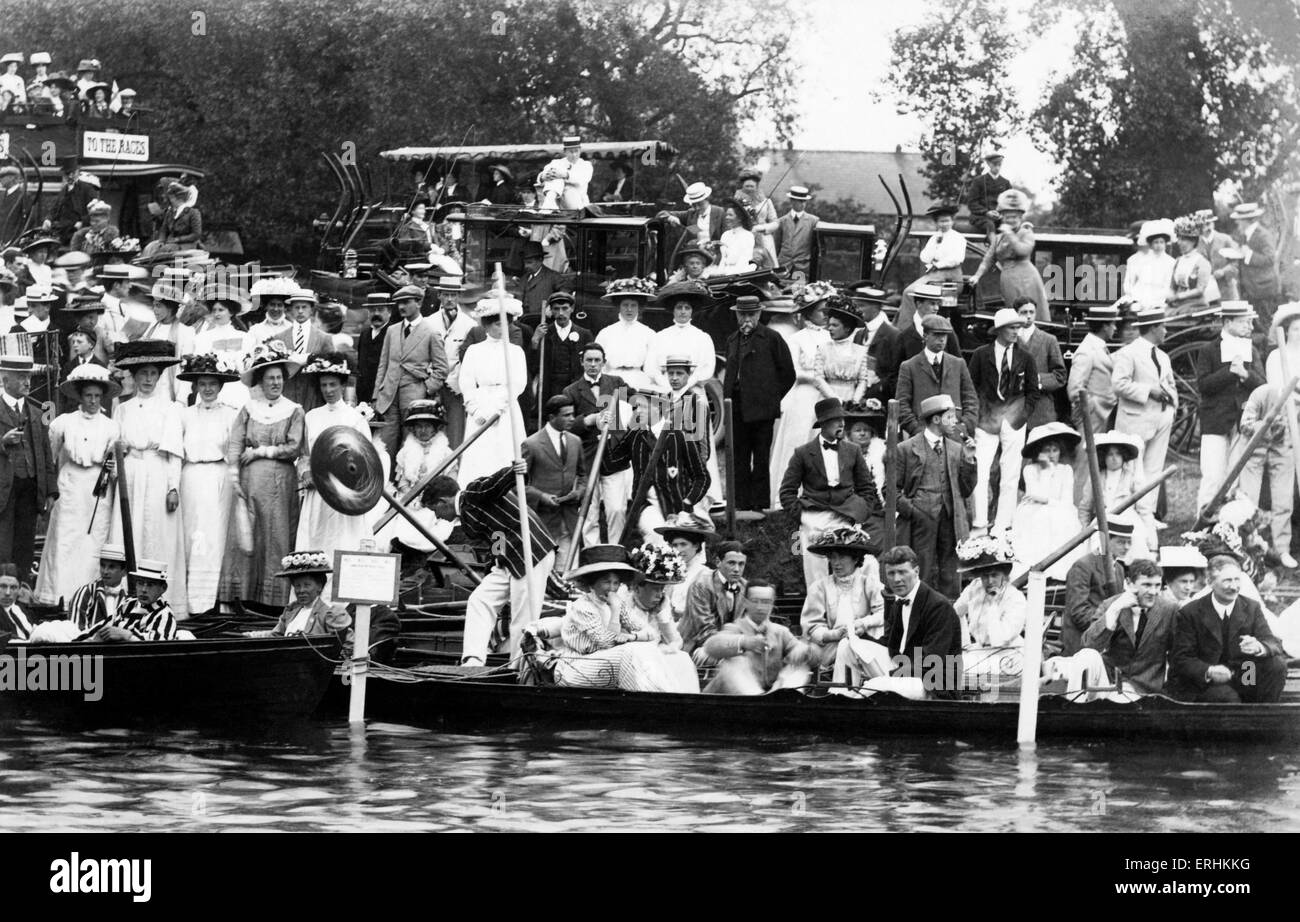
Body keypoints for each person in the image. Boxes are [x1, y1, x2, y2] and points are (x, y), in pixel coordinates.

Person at [425, 463, 556, 666]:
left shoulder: (473, 493)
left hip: (531, 552)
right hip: (509, 559)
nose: (437, 517)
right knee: (479, 600)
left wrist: (515, 471)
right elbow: (498, 535)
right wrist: (493, 566)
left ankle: (518, 668)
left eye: (435, 510)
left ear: (443, 502)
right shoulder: (468, 519)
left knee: (523, 617)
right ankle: (473, 661)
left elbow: (496, 484)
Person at [220, 342, 305, 609]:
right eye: (270, 378)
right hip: (250, 482)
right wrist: (234, 474)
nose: (275, 383)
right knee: (248, 536)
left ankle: (273, 600)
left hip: (280, 483)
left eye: (279, 378)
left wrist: (260, 452)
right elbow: (235, 443)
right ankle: (243, 596)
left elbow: (294, 447)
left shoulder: (294, 410)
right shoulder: (248, 409)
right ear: (261, 381)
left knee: (276, 535)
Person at [108, 340, 188, 616]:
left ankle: (160, 601)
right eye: (142, 373)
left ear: (160, 376)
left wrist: (173, 487)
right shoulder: (122, 408)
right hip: (130, 472)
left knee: (156, 534)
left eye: (153, 373)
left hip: (157, 471)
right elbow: (116, 446)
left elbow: (174, 452)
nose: (147, 379)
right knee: (128, 531)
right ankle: (125, 599)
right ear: (134, 375)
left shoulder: (170, 408)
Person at [32, 364, 119, 609]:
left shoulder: (111, 426)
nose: (93, 400)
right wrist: (51, 490)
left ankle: (89, 599)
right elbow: (50, 458)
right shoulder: (63, 423)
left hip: (97, 489)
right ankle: (59, 596)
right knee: (65, 539)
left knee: (92, 540)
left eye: (97, 396)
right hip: (69, 486)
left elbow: (114, 464)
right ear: (80, 396)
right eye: (88, 395)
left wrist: (110, 474)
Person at [551, 544, 690, 692]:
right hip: (576, 667)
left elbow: (650, 633)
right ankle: (653, 700)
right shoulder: (583, 607)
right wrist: (616, 612)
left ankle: (672, 695)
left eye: (616, 582)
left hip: (604, 665)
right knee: (628, 652)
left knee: (647, 648)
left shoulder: (617, 603)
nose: (612, 588)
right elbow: (607, 643)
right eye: (606, 581)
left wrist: (633, 636)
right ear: (591, 582)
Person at [779, 397, 879, 591]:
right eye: (836, 420)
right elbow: (787, 492)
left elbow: (867, 488)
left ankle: (848, 611)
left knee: (852, 565)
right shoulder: (803, 453)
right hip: (814, 516)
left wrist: (861, 510)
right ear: (823, 424)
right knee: (814, 568)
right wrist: (802, 515)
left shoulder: (853, 451)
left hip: (846, 514)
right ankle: (817, 612)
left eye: (842, 419)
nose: (842, 424)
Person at [1167, 554, 1288, 702]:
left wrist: (1259, 647)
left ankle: (1263, 716)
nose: (1234, 586)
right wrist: (1209, 671)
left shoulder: (1251, 607)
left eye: (1237, 580)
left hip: (1243, 677)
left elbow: (1273, 642)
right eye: (1227, 580)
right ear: (1210, 582)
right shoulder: (1190, 612)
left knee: (1276, 665)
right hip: (1207, 682)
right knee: (1227, 697)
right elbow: (1181, 658)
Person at [294, 354, 369, 591]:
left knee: (341, 541)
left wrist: (338, 478)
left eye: (333, 384)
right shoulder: (312, 416)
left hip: (342, 494)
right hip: (316, 494)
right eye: (324, 385)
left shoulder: (355, 418)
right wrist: (306, 474)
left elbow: (363, 460)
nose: (328, 390)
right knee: (315, 541)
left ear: (342, 384)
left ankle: (342, 598)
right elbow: (304, 454)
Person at [173, 354, 241, 614]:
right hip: (190, 477)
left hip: (218, 478)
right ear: (196, 386)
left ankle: (214, 600)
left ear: (221, 386)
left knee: (214, 537)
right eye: (203, 383)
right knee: (192, 536)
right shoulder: (185, 415)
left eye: (213, 383)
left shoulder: (230, 415)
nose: (208, 388)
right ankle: (189, 600)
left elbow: (235, 450)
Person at [894, 394, 978, 599]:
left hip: (950, 521)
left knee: (951, 574)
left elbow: (966, 490)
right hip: (919, 524)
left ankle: (950, 617)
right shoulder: (906, 449)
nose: (956, 422)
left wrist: (969, 458)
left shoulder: (957, 449)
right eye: (950, 417)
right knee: (920, 572)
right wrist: (913, 511)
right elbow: (890, 491)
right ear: (936, 419)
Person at [968, 308, 1040, 536]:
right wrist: (978, 415)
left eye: (1018, 327)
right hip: (986, 421)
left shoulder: (1025, 357)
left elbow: (1032, 391)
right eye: (1011, 327)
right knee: (981, 471)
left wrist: (1022, 416)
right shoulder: (981, 354)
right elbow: (971, 387)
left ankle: (1002, 524)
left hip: (1014, 422)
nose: (1016, 332)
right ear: (999, 330)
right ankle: (979, 524)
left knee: (1010, 474)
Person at [608, 387, 711, 544]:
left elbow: (702, 477)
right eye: (635, 407)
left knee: (691, 543)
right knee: (657, 534)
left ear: (657, 408)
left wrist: (689, 502)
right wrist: (608, 434)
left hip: (680, 505)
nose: (637, 411)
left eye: (642, 406)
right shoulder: (635, 434)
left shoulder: (681, 435)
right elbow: (611, 464)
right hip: (646, 505)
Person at [723, 295, 794, 512]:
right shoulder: (732, 339)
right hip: (736, 408)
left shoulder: (772, 338)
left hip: (762, 411)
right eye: (742, 314)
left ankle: (760, 505)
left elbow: (788, 374)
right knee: (739, 458)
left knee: (761, 458)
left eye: (751, 315)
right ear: (736, 315)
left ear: (759, 314)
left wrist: (770, 397)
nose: (747, 319)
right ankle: (740, 505)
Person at [1111, 307, 1177, 536]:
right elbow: (1118, 384)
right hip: (1135, 420)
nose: (1166, 331)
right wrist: (1148, 391)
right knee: (1131, 470)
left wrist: (1172, 406)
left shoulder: (1163, 356)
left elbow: (1169, 382)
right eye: (1164, 327)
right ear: (1153, 328)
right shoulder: (1129, 353)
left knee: (1153, 470)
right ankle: (1126, 514)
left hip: (1160, 418)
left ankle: (1148, 516)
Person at [1196, 301, 1265, 514]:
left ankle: (1228, 522)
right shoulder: (1208, 350)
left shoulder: (1251, 350)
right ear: (1228, 322)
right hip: (1215, 420)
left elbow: (1263, 384)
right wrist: (1230, 372)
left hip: (1242, 420)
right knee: (1213, 474)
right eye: (1245, 322)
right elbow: (1204, 385)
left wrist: (1245, 374)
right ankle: (1203, 522)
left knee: (1235, 474)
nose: (1250, 327)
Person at [1074, 557, 1176, 696]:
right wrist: (1114, 611)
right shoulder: (1112, 605)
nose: (1153, 592)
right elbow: (1089, 645)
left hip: (1144, 689)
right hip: (1108, 682)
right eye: (1146, 585)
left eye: (1157, 585)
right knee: (1086, 655)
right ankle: (1073, 705)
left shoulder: (1169, 610)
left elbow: (1178, 654)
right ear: (1129, 583)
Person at [0, 336, 57, 584]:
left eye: (29, 377)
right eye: (21, 377)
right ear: (5, 380)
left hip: (30, 487)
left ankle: (20, 593)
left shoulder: (36, 412)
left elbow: (45, 454)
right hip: (3, 489)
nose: (27, 382)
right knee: (3, 543)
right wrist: (2, 443)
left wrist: (50, 492)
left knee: (25, 543)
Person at [456, 292, 527, 487]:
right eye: (497, 324)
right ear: (486, 325)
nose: (502, 328)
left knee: (505, 453)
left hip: (506, 408)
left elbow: (518, 383)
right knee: (479, 455)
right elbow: (467, 383)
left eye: (506, 323)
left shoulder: (515, 351)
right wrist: (475, 409)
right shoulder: (474, 350)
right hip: (481, 404)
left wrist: (499, 408)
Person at [800, 526, 886, 682]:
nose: (836, 563)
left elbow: (885, 613)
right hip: (829, 650)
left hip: (863, 645)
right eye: (832, 557)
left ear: (855, 559)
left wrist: (863, 624)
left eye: (842, 557)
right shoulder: (819, 587)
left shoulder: (869, 584)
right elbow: (811, 626)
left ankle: (883, 685)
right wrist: (834, 634)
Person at [878, 545, 964, 698]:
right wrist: (858, 638)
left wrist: (890, 675)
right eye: (891, 573)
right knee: (848, 647)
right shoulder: (899, 603)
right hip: (906, 671)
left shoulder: (938, 606)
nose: (896, 579)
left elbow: (932, 661)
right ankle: (838, 696)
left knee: (876, 686)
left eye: (902, 572)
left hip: (934, 683)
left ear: (916, 572)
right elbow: (888, 644)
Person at [702, 579, 816, 694]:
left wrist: (802, 651)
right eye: (755, 601)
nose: (760, 607)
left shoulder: (780, 632)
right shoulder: (735, 628)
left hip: (771, 695)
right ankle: (757, 699)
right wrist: (745, 642)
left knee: (800, 668)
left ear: (772, 604)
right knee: (735, 662)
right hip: (734, 699)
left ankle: (783, 698)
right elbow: (710, 646)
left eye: (766, 602)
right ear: (745, 602)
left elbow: (813, 657)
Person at [768, 286, 832, 493]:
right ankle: (790, 492)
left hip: (828, 395)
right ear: (809, 312)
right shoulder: (797, 338)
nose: (826, 316)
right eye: (822, 311)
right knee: (799, 439)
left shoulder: (832, 336)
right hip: (804, 395)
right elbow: (793, 370)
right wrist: (818, 379)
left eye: (828, 311)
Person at [374, 284, 448, 461]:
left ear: (419, 302)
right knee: (385, 444)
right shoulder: (392, 330)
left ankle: (406, 484)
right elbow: (383, 364)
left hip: (414, 397)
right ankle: (384, 483)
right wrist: (376, 393)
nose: (401, 307)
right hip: (389, 395)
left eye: (406, 302)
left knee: (410, 443)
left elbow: (442, 369)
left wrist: (426, 389)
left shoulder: (430, 332)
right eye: (399, 303)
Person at [617, 543, 701, 691]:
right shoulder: (624, 604)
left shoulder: (661, 604)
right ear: (637, 588)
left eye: (662, 589)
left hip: (657, 658)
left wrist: (662, 615)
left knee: (682, 659)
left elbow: (676, 641)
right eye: (655, 589)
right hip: (633, 663)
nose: (660, 594)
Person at [1238, 378, 1300, 568]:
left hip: (1283, 450)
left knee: (1284, 500)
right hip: (1254, 448)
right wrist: (1268, 423)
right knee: (1248, 500)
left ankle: (1282, 550)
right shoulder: (1262, 393)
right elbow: (1244, 425)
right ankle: (1245, 547)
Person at [1012, 423, 1085, 580]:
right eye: (1046, 450)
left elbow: (1066, 500)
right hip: (1033, 510)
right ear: (1039, 453)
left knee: (1058, 517)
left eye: (1055, 450)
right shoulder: (1030, 470)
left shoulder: (1066, 471)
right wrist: (1045, 468)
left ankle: (1057, 571)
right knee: (1040, 518)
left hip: (1060, 509)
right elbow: (1033, 495)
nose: (1051, 455)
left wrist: (1046, 500)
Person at [521, 395, 586, 572]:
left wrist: (579, 492)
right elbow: (518, 484)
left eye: (573, 414)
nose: (572, 419)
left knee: (569, 570)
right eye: (566, 415)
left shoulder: (575, 442)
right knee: (542, 569)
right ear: (551, 417)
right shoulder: (531, 444)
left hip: (569, 518)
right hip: (543, 520)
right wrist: (541, 496)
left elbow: (582, 475)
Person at [968, 189, 1049, 322]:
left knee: (1029, 314)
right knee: (1014, 314)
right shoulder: (999, 238)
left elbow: (1022, 250)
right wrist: (977, 275)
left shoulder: (1026, 233)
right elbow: (988, 259)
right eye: (1007, 217)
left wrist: (1010, 234)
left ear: (1021, 217)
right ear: (1002, 218)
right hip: (1008, 280)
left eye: (1015, 217)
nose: (1011, 220)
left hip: (1027, 279)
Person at [951, 537, 1025, 682]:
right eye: (985, 576)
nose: (990, 581)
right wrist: (964, 643)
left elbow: (999, 640)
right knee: (945, 666)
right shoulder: (975, 587)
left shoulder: (1016, 598)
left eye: (994, 575)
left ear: (1004, 574)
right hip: (981, 652)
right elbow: (956, 612)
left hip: (1010, 655)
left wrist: (992, 604)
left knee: (956, 670)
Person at [896, 313, 978, 438]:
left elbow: (970, 399)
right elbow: (902, 404)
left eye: (944, 335)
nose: (942, 339)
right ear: (925, 336)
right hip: (922, 435)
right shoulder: (909, 366)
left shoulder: (958, 364)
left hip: (955, 434)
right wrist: (916, 430)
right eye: (936, 335)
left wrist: (964, 425)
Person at [1066, 302, 1119, 495]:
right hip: (1091, 417)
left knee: (1093, 463)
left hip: (1101, 416)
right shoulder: (1086, 350)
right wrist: (1094, 406)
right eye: (1113, 324)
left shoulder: (1099, 347)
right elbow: (1074, 389)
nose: (1115, 328)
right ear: (1104, 326)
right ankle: (1077, 510)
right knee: (1085, 463)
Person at [1061, 518, 1133, 656]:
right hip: (1080, 642)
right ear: (1105, 541)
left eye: (1129, 542)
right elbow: (1079, 612)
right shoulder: (1083, 566)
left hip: (1105, 639)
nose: (1126, 547)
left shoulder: (1118, 569)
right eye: (1120, 542)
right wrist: (1106, 624)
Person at [1078, 431, 1150, 557]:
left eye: (1118, 454)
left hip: (1127, 519)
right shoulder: (1096, 477)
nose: (1114, 458)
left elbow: (1144, 508)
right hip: (1103, 519)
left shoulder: (1131, 477)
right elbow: (1085, 507)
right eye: (1110, 454)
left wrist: (1150, 535)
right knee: (1098, 545)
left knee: (1135, 544)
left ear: (1123, 457)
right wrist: (1084, 530)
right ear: (1103, 457)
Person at [896, 203, 967, 332]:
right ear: (936, 223)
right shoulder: (935, 237)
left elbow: (957, 258)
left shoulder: (958, 238)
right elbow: (924, 256)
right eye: (941, 221)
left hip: (950, 278)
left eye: (947, 221)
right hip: (934, 275)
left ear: (952, 221)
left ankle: (907, 329)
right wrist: (936, 244)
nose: (944, 224)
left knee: (910, 293)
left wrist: (938, 264)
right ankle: (903, 328)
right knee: (908, 291)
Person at [76, 559, 179, 643]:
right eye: (140, 583)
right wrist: (76, 643)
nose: (143, 589)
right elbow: (103, 626)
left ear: (163, 588)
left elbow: (159, 645)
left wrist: (126, 634)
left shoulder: (165, 614)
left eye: (150, 585)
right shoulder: (129, 603)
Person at [678, 539, 748, 663]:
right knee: (735, 661)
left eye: (741, 564)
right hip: (697, 646)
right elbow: (704, 632)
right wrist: (737, 645)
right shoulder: (701, 585)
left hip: (734, 645)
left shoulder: (745, 587)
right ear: (718, 562)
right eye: (731, 563)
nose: (737, 569)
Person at [427, 278, 475, 446]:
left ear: (458, 296)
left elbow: (469, 359)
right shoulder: (429, 322)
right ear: (439, 295)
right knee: (431, 429)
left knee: (456, 432)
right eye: (445, 294)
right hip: (433, 385)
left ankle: (454, 469)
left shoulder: (469, 324)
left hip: (456, 387)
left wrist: (459, 382)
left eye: (453, 295)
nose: (449, 299)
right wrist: (431, 381)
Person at [646, 280, 715, 389]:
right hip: (664, 388)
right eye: (679, 307)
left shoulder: (703, 338)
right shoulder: (660, 337)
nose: (683, 312)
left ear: (692, 311)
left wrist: (687, 385)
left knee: (695, 403)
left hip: (693, 388)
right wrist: (666, 386)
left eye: (687, 308)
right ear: (673, 310)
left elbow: (707, 369)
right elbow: (650, 368)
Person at [269, 551, 352, 642]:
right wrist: (251, 635)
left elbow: (347, 644)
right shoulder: (291, 610)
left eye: (307, 585)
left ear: (319, 586)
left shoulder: (330, 614)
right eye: (297, 586)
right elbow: (275, 635)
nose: (301, 590)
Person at [531, 290, 591, 410]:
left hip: (575, 387)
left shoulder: (584, 334)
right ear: (551, 311)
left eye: (564, 308)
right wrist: (535, 341)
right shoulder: (544, 334)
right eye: (556, 309)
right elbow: (533, 366)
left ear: (572, 309)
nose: (560, 313)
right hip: (550, 388)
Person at [277, 289, 336, 411]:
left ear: (311, 310)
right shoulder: (279, 338)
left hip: (314, 395)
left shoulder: (324, 338)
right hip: (287, 395)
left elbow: (332, 369)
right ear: (291, 310)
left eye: (304, 307)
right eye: (296, 307)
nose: (300, 311)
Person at [595, 278, 656, 390]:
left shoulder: (648, 333)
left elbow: (651, 366)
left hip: (638, 380)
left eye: (633, 305)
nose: (629, 309)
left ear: (639, 307)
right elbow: (599, 363)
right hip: (611, 379)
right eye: (625, 305)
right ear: (619, 307)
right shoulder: (606, 333)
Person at [1014, 296, 1066, 428]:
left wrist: (1037, 380)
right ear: (1016, 314)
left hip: (1041, 410)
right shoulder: (1009, 339)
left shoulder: (1049, 340)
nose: (1028, 316)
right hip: (1013, 410)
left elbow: (1060, 375)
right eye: (1024, 312)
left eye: (1032, 312)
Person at [141, 281, 196, 404]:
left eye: (159, 306)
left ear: (170, 307)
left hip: (171, 393)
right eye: (154, 305)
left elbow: (187, 370)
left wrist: (181, 400)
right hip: (148, 390)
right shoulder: (150, 330)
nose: (155, 310)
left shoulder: (186, 332)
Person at [812, 295, 870, 407]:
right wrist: (836, 400)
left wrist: (855, 401)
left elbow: (863, 380)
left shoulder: (860, 351)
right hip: (827, 401)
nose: (830, 328)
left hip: (850, 401)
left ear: (847, 328)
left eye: (835, 325)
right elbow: (818, 379)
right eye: (829, 325)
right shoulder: (823, 348)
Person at [849, 284, 903, 403]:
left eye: (862, 306)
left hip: (881, 400)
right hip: (858, 399)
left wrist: (878, 389)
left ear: (876, 307)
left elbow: (895, 374)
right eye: (857, 306)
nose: (858, 310)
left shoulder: (893, 335)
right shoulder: (859, 334)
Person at [1229, 202, 1281, 327]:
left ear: (1246, 221)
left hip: (1263, 289)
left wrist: (1249, 255)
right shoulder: (1244, 235)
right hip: (1249, 289)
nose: (1237, 223)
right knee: (1255, 325)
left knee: (1266, 323)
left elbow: (1270, 259)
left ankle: (1270, 346)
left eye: (1238, 220)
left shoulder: (1263, 235)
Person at [66, 544, 129, 633]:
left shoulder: (128, 599)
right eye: (102, 565)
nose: (105, 571)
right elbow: (74, 631)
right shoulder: (86, 592)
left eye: (111, 567)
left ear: (124, 572)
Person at [394, 399, 452, 494]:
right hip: (410, 499)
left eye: (428, 426)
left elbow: (451, 484)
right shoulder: (405, 452)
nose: (423, 430)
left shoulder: (447, 453)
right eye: (419, 426)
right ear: (413, 429)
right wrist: (410, 495)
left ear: (435, 429)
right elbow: (402, 482)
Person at [1168, 214, 1219, 315]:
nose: (1180, 243)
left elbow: (1200, 290)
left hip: (1196, 304)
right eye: (1179, 239)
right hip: (1178, 303)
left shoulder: (1202, 262)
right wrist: (1170, 296)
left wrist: (1178, 296)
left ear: (1193, 241)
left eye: (1184, 240)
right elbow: (1172, 287)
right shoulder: (1178, 261)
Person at [897, 284, 961, 360]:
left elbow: (958, 362)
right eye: (932, 304)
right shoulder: (905, 335)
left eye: (938, 304)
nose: (936, 308)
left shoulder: (947, 330)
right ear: (919, 304)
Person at [1122, 219, 1177, 308]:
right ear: (1150, 244)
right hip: (1142, 294)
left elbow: (1168, 285)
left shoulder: (1171, 262)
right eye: (1156, 242)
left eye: (1161, 242)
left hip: (1161, 296)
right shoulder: (1144, 261)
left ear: (1165, 244)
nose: (1159, 245)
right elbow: (1141, 282)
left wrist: (1155, 297)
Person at [142, 181, 202, 259]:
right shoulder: (170, 213)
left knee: (165, 250)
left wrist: (177, 239)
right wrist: (161, 241)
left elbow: (196, 234)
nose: (171, 200)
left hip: (187, 244)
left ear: (178, 198)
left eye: (172, 198)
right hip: (171, 242)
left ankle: (162, 268)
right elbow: (164, 229)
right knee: (151, 247)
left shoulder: (193, 213)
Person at [771, 185, 819, 278]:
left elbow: (815, 247)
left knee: (798, 292)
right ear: (792, 201)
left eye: (804, 201)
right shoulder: (782, 221)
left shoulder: (813, 221)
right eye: (800, 201)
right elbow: (776, 246)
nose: (803, 204)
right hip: (783, 267)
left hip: (802, 268)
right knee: (781, 290)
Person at [659, 182, 725, 249]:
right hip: (694, 254)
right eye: (694, 205)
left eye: (700, 204)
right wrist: (670, 217)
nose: (697, 208)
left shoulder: (719, 212)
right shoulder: (690, 214)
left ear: (707, 199)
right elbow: (662, 214)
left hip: (716, 254)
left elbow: (728, 237)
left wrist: (713, 244)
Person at [734, 169, 779, 266]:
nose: (749, 189)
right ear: (742, 186)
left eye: (752, 186)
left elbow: (775, 222)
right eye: (747, 186)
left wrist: (761, 228)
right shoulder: (736, 202)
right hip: (743, 238)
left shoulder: (766, 201)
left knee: (767, 265)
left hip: (764, 239)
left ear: (757, 186)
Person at [354, 292, 392, 405]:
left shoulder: (394, 333)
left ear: (389, 312)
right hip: (363, 396)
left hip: (384, 395)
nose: (376, 314)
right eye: (372, 310)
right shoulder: (365, 334)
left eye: (380, 310)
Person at [963, 151, 1010, 239]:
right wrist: (986, 212)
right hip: (980, 217)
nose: (997, 167)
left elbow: (1009, 203)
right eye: (994, 164)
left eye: (999, 165)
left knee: (1011, 225)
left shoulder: (1005, 183)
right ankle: (992, 249)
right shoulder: (978, 181)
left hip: (1000, 217)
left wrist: (1001, 214)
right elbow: (972, 203)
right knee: (990, 225)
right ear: (988, 164)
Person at [1196, 208, 1239, 302]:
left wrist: (1223, 271)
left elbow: (1236, 262)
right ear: (1199, 227)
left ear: (1213, 224)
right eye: (1203, 225)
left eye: (1209, 224)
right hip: (1206, 294)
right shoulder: (1196, 245)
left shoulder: (1225, 239)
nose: (1207, 228)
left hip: (1227, 291)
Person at [539, 136, 592, 210]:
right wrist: (543, 176)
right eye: (571, 151)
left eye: (576, 151)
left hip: (578, 204)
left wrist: (565, 175)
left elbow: (581, 180)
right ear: (565, 151)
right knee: (555, 177)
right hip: (560, 203)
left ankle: (548, 205)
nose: (574, 154)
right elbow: (544, 173)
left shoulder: (586, 165)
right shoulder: (557, 163)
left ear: (580, 150)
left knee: (563, 182)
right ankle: (549, 204)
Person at [712, 201, 756, 274]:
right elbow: (723, 258)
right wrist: (719, 274)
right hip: (724, 273)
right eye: (726, 215)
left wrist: (731, 276)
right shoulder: (725, 235)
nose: (727, 217)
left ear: (740, 218)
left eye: (730, 215)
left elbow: (744, 261)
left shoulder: (747, 236)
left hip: (740, 273)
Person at [0, 165, 25, 245]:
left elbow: (26, 221)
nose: (0, 179)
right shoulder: (2, 195)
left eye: (2, 176)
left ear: (11, 178)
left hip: (14, 241)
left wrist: (17, 239)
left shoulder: (23, 195)